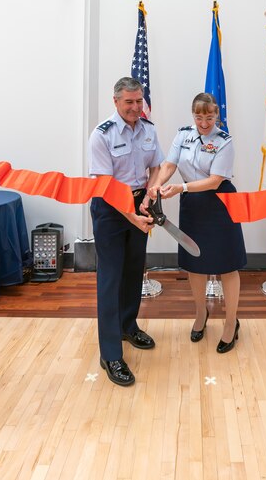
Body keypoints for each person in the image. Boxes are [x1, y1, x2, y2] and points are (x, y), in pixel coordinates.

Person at [148, 93, 246, 353]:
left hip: (220, 203)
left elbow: (215, 180)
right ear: (193, 115)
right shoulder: (183, 135)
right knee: (195, 263)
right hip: (192, 206)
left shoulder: (224, 141)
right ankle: (201, 314)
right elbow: (169, 164)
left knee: (227, 265)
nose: (204, 123)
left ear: (217, 116)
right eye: (199, 117)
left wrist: (180, 187)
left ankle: (230, 322)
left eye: (210, 117)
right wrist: (157, 184)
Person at [88, 77, 164, 386]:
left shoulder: (149, 129)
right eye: (128, 102)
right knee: (110, 277)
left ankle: (128, 325)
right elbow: (105, 186)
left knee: (134, 270)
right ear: (116, 102)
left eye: (138, 101)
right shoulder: (101, 135)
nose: (134, 107)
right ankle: (110, 354)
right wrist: (132, 216)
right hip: (111, 209)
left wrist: (151, 192)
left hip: (139, 202)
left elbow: (157, 166)